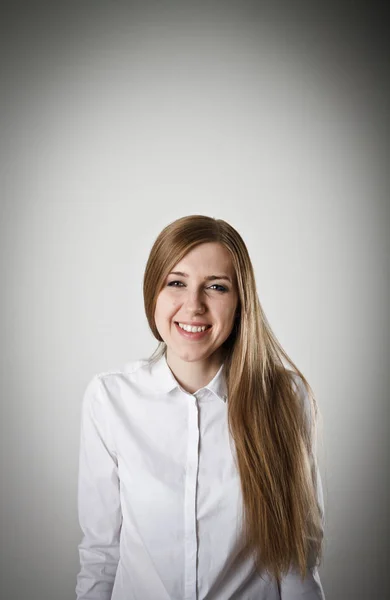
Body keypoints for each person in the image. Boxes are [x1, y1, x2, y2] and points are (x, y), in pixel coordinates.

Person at [75, 214, 325, 600]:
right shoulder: (109, 398)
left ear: (241, 302)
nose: (194, 305)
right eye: (176, 283)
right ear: (152, 293)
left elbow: (297, 562)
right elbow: (100, 555)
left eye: (216, 287)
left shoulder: (285, 398)